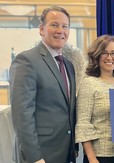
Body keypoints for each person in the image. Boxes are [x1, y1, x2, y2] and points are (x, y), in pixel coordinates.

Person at [9, 6, 78, 163]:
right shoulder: (26, 61)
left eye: (65, 26)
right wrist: (35, 157)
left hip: (66, 153)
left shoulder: (69, 65)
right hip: (40, 155)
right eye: (54, 25)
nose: (60, 30)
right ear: (41, 29)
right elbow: (22, 115)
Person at [75, 34, 114, 163]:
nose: (109, 57)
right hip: (100, 156)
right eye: (104, 53)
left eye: (113, 53)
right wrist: (91, 158)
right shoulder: (89, 84)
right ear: (97, 56)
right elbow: (83, 124)